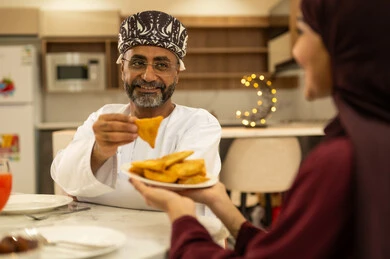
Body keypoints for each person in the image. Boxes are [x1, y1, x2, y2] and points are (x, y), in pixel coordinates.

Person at [131, 0, 390, 258]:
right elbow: (290, 251)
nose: (297, 52)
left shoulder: (338, 161)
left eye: (304, 32)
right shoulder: (374, 143)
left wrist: (182, 216)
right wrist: (222, 203)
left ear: (346, 43)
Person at [51, 10, 221, 215]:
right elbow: (64, 177)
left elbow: (183, 194)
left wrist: (90, 189)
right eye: (138, 63)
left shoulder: (199, 123)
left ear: (177, 73)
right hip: (102, 237)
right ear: (122, 69)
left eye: (161, 65)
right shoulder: (103, 117)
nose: (148, 76)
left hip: (172, 237)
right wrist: (99, 151)